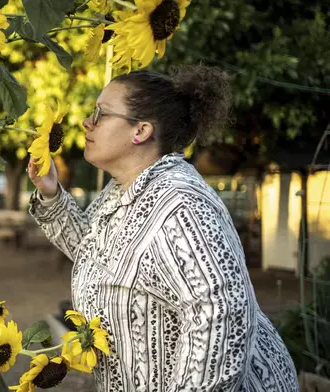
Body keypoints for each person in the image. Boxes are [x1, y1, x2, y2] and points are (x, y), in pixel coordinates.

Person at [27, 65, 298, 391]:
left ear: (140, 131)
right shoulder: (122, 191)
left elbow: (221, 315)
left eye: (101, 114)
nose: (88, 122)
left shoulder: (181, 207)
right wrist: (51, 193)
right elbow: (97, 255)